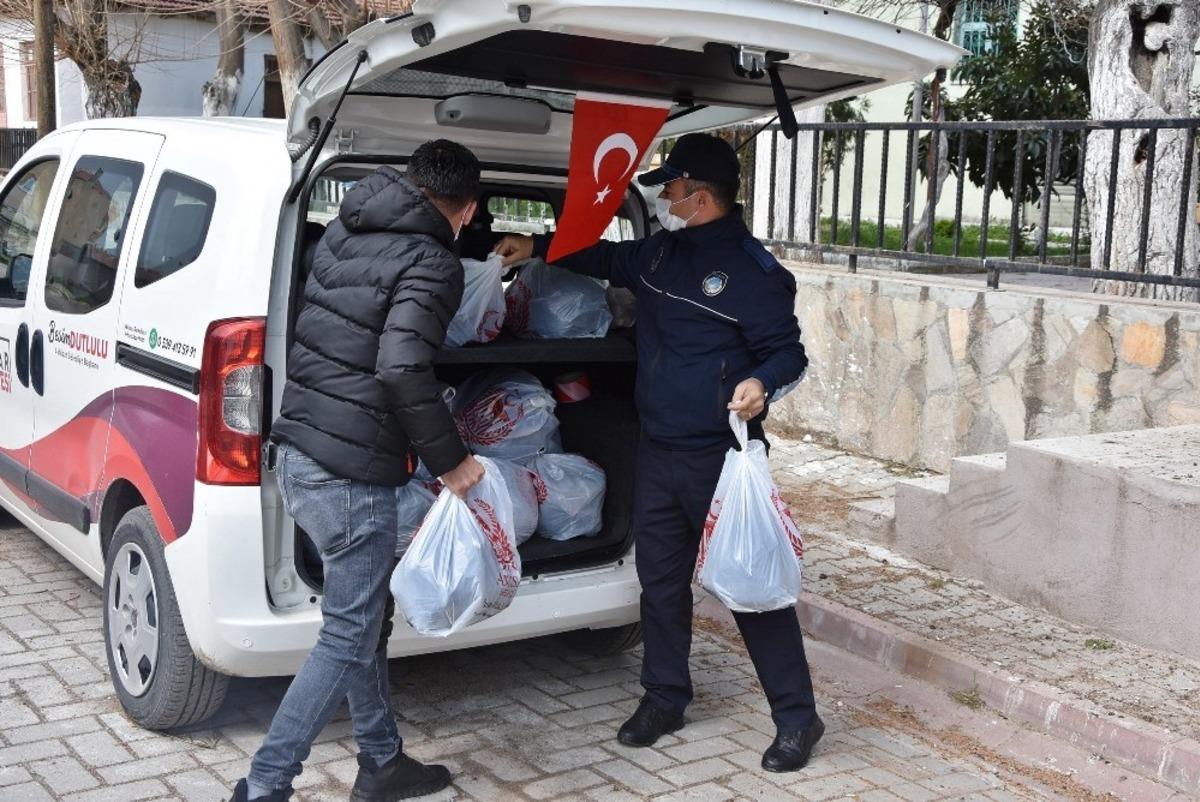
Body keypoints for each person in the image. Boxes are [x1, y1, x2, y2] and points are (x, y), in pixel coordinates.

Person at [494, 133, 823, 772]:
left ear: (699, 197)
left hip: (720, 459)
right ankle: (665, 696)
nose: (663, 194)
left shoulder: (757, 275)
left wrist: (761, 383)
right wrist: (536, 247)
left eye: (671, 186)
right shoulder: (660, 252)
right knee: (661, 582)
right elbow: (603, 258)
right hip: (659, 449)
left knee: (752, 585)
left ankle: (796, 718)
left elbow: (789, 353)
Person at [230, 140, 486, 802]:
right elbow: (401, 366)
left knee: (363, 617)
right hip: (350, 475)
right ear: (467, 209)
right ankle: (265, 783)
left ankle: (381, 762)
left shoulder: (348, 227)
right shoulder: (433, 261)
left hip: (299, 454)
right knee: (348, 632)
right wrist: (452, 461)